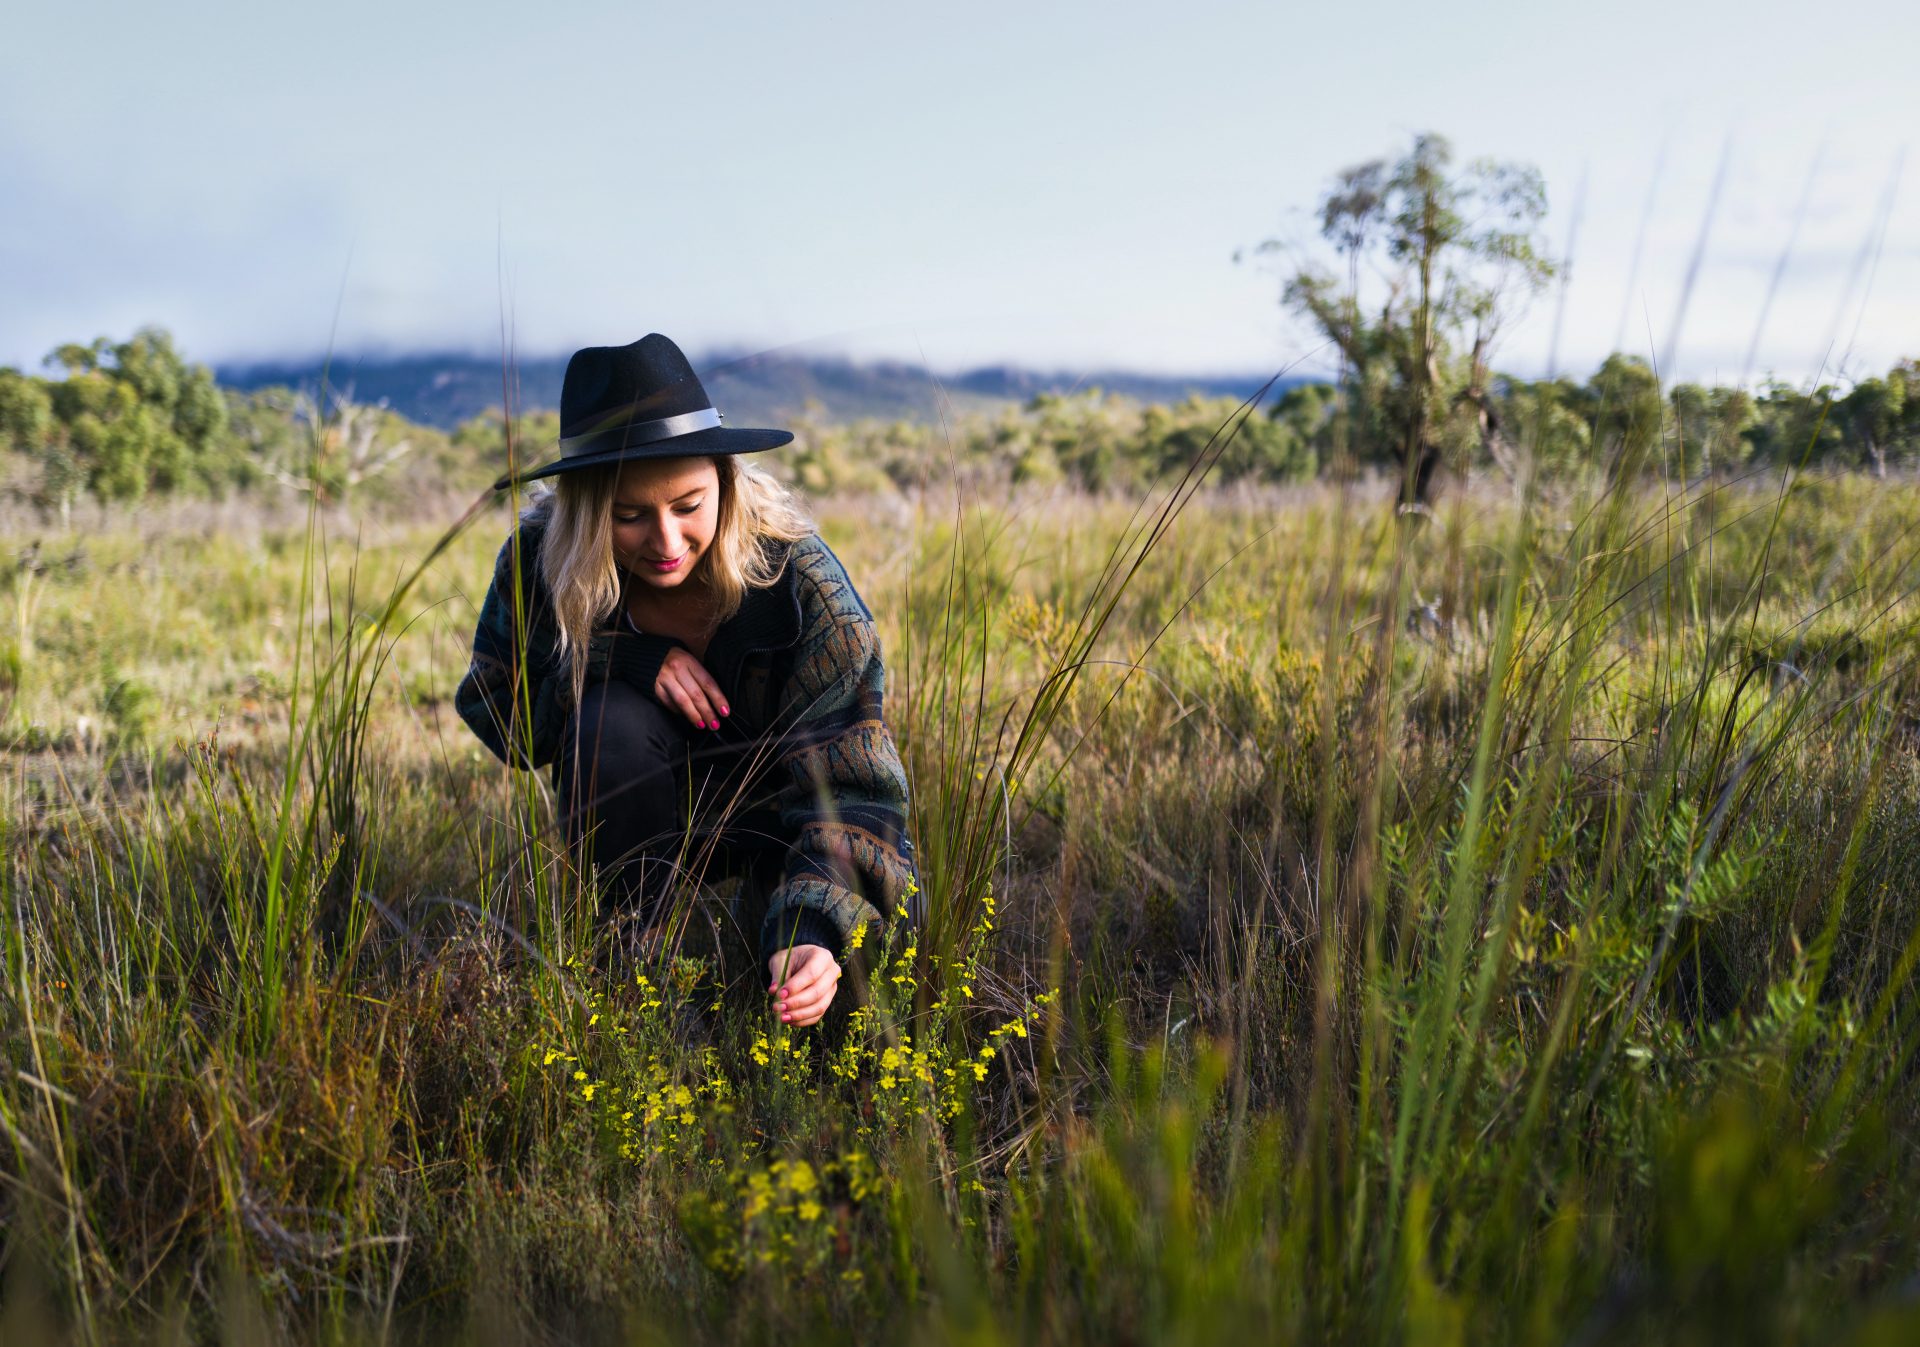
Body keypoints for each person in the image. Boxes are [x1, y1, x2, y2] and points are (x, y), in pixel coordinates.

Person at [453, 334, 918, 1029]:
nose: (666, 542)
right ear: (584, 510)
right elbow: (499, 709)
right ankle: (634, 970)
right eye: (629, 516)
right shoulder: (541, 561)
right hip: (642, 803)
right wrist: (618, 658)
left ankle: (779, 915)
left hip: (785, 814)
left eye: (689, 504)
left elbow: (855, 785)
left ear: (726, 481)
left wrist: (814, 928)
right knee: (605, 727)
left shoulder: (802, 582)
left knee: (844, 991)